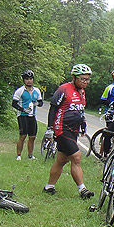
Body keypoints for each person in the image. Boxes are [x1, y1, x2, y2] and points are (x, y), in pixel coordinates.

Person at [44, 64, 94, 199]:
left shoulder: (82, 92)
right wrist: (50, 129)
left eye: (87, 79)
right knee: (76, 157)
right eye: (82, 79)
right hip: (62, 129)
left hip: (74, 130)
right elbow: (53, 108)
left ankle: (49, 187)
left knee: (61, 160)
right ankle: (82, 189)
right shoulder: (64, 89)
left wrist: (83, 124)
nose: (85, 82)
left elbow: (80, 110)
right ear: (74, 77)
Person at [13, 69, 43, 160]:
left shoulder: (36, 91)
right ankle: (18, 155)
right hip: (22, 115)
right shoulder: (20, 91)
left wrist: (37, 103)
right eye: (27, 79)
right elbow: (14, 103)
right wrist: (22, 109)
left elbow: (41, 103)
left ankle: (30, 155)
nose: (29, 81)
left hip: (32, 115)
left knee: (32, 136)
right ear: (23, 80)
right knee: (23, 135)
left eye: (30, 79)